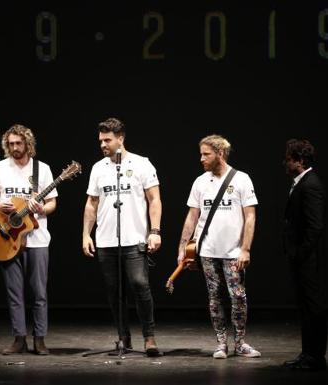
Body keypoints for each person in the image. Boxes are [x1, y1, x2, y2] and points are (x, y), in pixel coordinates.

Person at [82, 117, 162, 356]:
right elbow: (91, 203)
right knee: (114, 291)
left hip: (135, 238)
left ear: (121, 138)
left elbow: (154, 199)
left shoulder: (142, 164)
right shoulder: (98, 168)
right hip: (106, 240)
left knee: (140, 285)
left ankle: (149, 338)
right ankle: (123, 337)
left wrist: (155, 231)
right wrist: (86, 234)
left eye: (107, 140)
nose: (103, 145)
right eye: (101, 141)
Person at [177, 135, 261, 359]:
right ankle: (221, 343)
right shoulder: (200, 182)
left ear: (220, 154)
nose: (201, 158)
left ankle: (240, 342)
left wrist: (245, 248)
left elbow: (250, 217)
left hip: (233, 252)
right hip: (207, 252)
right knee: (214, 297)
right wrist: (183, 248)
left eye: (206, 154)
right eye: (201, 154)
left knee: (238, 296)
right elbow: (192, 217)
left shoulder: (242, 180)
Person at [0, 124, 57, 356]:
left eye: (19, 143)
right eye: (11, 144)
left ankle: (40, 339)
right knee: (14, 292)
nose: (15, 147)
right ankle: (18, 339)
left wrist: (41, 208)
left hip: (37, 238)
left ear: (27, 144)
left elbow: (53, 203)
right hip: (8, 237)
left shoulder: (42, 169)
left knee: (39, 293)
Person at [281, 139, 327, 370]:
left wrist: (300, 254)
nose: (285, 163)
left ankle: (315, 357)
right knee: (305, 307)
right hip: (301, 258)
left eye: (288, 159)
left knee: (312, 307)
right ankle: (307, 353)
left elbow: (315, 226)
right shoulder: (302, 182)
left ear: (299, 161)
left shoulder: (310, 184)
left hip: (307, 259)